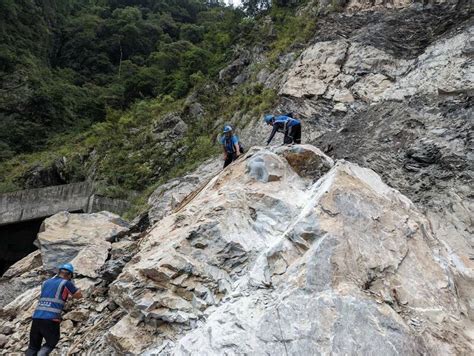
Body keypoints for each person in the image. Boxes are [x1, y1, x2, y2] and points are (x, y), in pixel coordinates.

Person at [26, 263, 82, 356]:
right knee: (51, 343)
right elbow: (78, 295)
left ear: (59, 272)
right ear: (69, 275)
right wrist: (76, 287)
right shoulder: (66, 283)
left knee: (33, 347)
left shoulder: (45, 282)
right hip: (51, 319)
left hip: (36, 318)